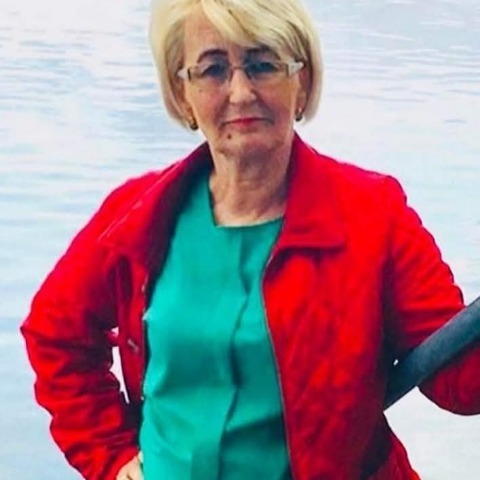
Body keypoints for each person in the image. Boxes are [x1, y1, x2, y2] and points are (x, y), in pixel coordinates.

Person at [20, 0, 480, 479]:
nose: (240, 92)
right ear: (183, 95)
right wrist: (110, 454)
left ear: (302, 83)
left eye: (263, 65)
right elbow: (56, 334)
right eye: (213, 69)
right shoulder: (135, 217)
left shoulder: (373, 215)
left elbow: (458, 378)